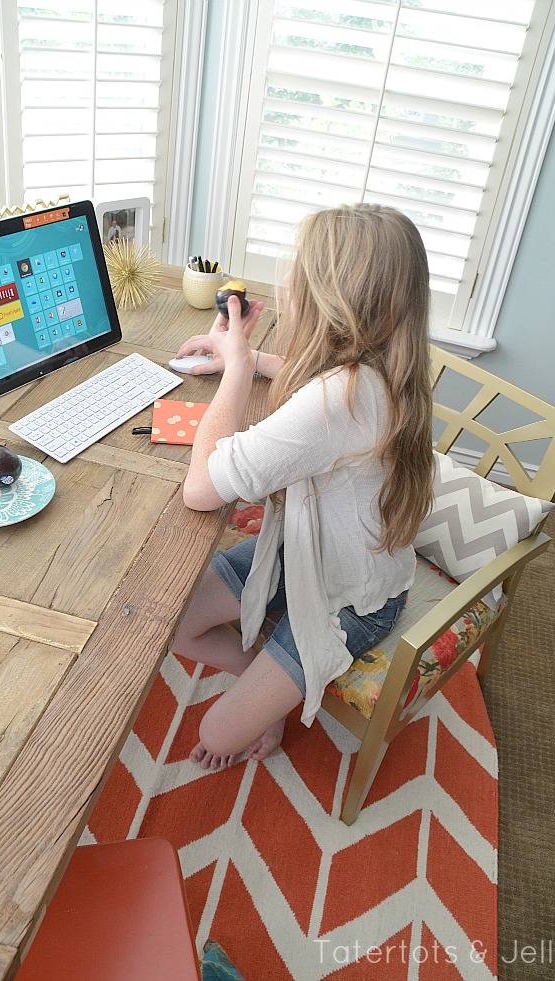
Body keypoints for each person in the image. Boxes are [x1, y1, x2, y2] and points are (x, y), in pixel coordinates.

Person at [172, 203, 434, 771]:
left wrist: (237, 369)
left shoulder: (335, 401)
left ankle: (271, 685)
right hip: (302, 553)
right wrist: (250, 356)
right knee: (173, 620)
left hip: (354, 599)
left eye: (300, 270)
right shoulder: (381, 367)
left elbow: (201, 488)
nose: (287, 279)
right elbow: (313, 374)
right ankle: (272, 672)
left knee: (216, 732)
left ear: (334, 297)